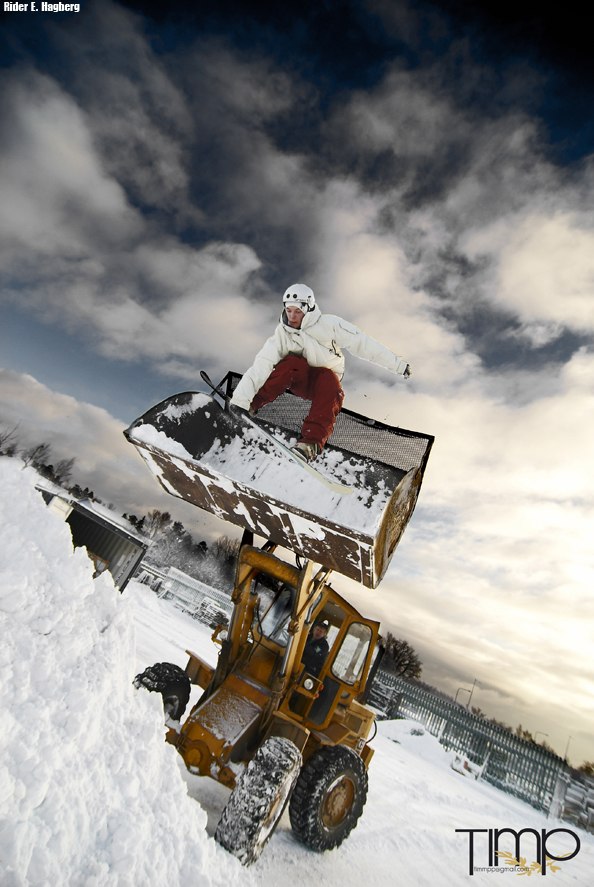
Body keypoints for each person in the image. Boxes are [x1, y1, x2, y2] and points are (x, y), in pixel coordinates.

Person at [230, 283, 411, 461]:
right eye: (289, 310)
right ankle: (251, 405)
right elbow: (261, 365)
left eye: (297, 311)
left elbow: (362, 343)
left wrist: (398, 365)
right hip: (299, 380)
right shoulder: (282, 335)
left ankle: (310, 443)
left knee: (328, 377)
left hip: (324, 384)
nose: (292, 316)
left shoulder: (329, 324)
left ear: (308, 308)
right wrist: (240, 401)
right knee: (291, 363)